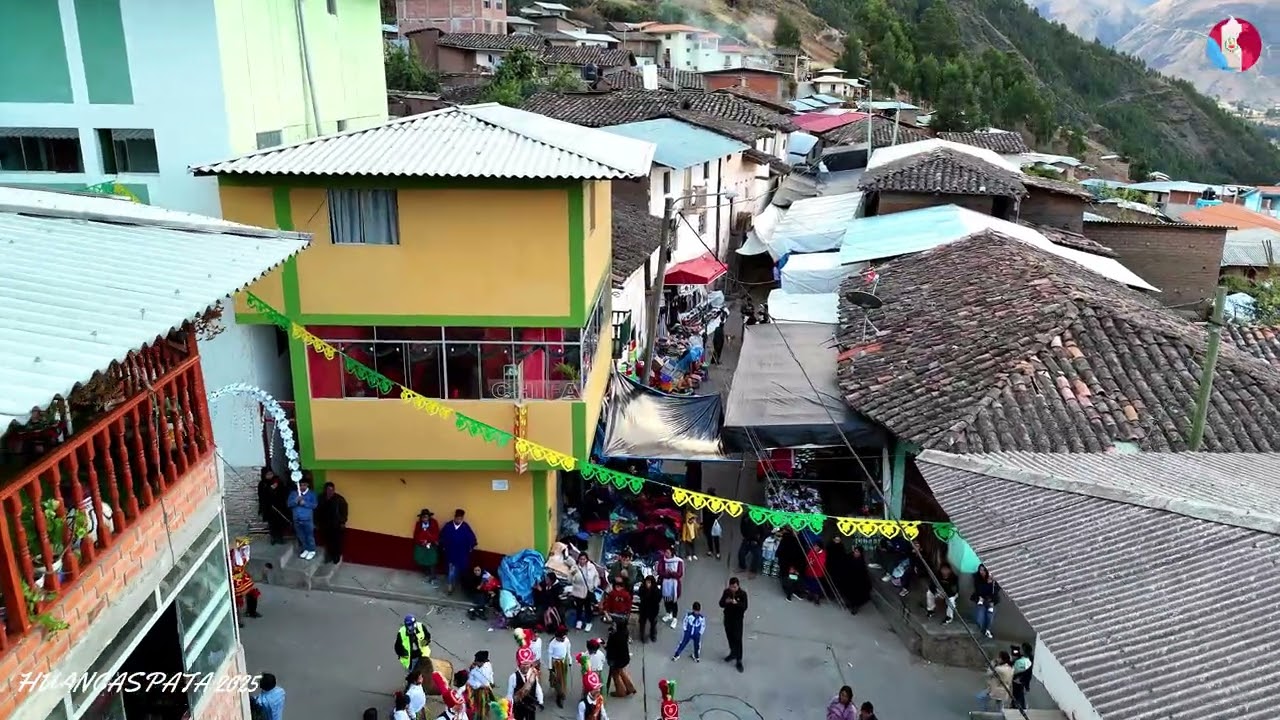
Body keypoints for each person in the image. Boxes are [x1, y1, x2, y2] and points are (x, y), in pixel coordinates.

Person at [440, 509, 477, 595]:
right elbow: (442, 536)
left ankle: (455, 583)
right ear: (455, 517)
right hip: (451, 552)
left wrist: (471, 546)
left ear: (462, 518)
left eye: (460, 519)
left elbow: (472, 538)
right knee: (451, 570)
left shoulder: (465, 527)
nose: (458, 520)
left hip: (462, 553)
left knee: (459, 570)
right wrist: (443, 546)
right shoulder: (448, 526)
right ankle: (450, 587)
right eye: (457, 518)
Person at [507, 639, 544, 720]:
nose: (526, 667)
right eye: (523, 664)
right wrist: (509, 708)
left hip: (531, 706)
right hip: (518, 707)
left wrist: (540, 701)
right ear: (519, 664)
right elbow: (510, 694)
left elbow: (537, 688)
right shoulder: (513, 677)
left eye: (528, 664)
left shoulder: (533, 674)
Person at [230, 536, 261, 625]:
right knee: (236, 601)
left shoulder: (243, 554)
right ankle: (237, 621)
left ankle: (251, 611)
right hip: (234, 581)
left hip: (243, 577)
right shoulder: (232, 556)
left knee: (252, 593)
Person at [719, 577, 747, 672]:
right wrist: (726, 602)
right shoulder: (726, 592)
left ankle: (739, 659)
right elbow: (721, 604)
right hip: (728, 618)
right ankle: (733, 652)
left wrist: (737, 603)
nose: (732, 589)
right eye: (731, 587)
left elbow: (745, 606)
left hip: (737, 620)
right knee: (730, 637)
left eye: (734, 587)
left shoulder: (743, 594)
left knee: (738, 639)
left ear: (738, 586)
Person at [317, 481, 349, 564]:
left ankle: (336, 556)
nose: (330, 491)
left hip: (336, 525)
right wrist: (317, 522)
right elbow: (317, 511)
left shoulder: (340, 499)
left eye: (332, 490)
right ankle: (330, 556)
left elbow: (344, 512)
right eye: (328, 490)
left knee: (337, 542)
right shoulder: (321, 498)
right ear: (325, 490)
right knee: (328, 541)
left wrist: (342, 522)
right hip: (324, 524)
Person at [287, 478, 318, 560]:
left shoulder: (311, 494)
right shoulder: (294, 493)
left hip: (307, 519)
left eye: (304, 485)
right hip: (297, 519)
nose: (302, 487)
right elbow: (289, 504)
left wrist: (305, 503)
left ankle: (312, 550)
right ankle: (306, 549)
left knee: (309, 536)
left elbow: (314, 505)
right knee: (301, 536)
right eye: (300, 485)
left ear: (307, 485)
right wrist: (295, 501)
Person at [257, 470, 290, 544]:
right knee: (271, 524)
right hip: (268, 508)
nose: (269, 476)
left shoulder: (278, 482)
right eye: (267, 474)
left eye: (271, 474)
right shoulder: (262, 484)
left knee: (280, 523)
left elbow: (283, 493)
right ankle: (273, 538)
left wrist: (276, 489)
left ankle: (280, 538)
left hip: (278, 507)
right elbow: (261, 495)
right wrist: (269, 489)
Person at [569, 553, 600, 632]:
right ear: (578, 559)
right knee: (579, 607)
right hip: (578, 590)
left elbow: (596, 576)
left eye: (584, 559)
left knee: (588, 608)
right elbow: (569, 579)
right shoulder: (574, 568)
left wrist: (595, 585)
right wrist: (572, 574)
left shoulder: (591, 567)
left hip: (588, 590)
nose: (582, 561)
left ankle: (588, 622)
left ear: (587, 559)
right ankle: (579, 621)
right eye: (581, 559)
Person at [604, 621, 636, 697]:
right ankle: (630, 688)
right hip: (624, 657)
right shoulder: (625, 632)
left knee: (615, 675)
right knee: (621, 671)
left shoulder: (614, 636)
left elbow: (610, 648)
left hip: (616, 660)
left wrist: (605, 646)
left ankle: (620, 691)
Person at [657, 547, 684, 629]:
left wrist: (671, 573)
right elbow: (660, 571)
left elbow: (679, 574)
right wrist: (668, 574)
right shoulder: (663, 560)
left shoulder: (679, 561)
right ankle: (668, 613)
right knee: (666, 599)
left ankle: (674, 618)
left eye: (668, 553)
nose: (666, 554)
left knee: (674, 602)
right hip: (665, 583)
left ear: (672, 553)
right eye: (666, 552)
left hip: (674, 585)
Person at [575, 655, 608, 720]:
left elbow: (603, 713)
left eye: (598, 687)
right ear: (589, 691)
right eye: (595, 689)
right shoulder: (583, 704)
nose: (598, 690)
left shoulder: (600, 699)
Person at [972, 564, 1000, 638]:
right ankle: (983, 630)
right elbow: (978, 590)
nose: (982, 572)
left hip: (991, 601)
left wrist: (992, 583)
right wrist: (987, 584)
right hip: (981, 600)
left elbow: (996, 590)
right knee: (979, 618)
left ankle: (987, 630)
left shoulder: (992, 579)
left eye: (983, 570)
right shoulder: (977, 578)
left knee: (990, 616)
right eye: (980, 570)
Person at [413, 509, 441, 586]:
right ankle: (427, 575)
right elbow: (416, 535)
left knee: (432, 561)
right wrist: (421, 542)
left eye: (426, 517)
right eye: (423, 517)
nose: (425, 519)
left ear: (429, 517)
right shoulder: (418, 524)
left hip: (431, 545)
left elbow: (436, 533)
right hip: (421, 546)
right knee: (422, 560)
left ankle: (433, 578)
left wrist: (430, 541)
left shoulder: (434, 523)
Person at [547, 625, 572, 708]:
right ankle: (560, 695)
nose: (563, 639)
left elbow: (568, 651)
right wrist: (550, 667)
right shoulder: (552, 644)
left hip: (563, 662)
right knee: (557, 681)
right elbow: (550, 656)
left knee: (563, 679)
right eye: (561, 638)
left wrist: (570, 660)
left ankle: (561, 691)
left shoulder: (566, 640)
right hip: (556, 663)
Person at [468, 651, 496, 720]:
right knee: (479, 707)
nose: (476, 663)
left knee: (487, 705)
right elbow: (470, 681)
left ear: (482, 662)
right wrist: (480, 685)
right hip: (478, 692)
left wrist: (491, 682)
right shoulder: (473, 671)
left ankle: (485, 715)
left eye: (477, 661)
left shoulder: (488, 665)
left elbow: (491, 674)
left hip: (487, 690)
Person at [636, 575, 662, 643]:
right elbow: (640, 595)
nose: (648, 584)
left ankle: (653, 635)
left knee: (653, 623)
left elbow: (658, 599)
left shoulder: (657, 591)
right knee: (642, 623)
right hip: (644, 609)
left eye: (649, 582)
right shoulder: (642, 588)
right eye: (647, 582)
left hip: (653, 610)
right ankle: (642, 636)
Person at [846, 546, 872, 614]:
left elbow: (863, 573)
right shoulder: (850, 558)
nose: (855, 553)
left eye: (857, 552)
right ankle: (850, 603)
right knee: (849, 592)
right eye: (855, 551)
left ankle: (855, 606)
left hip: (858, 582)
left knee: (856, 595)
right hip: (850, 579)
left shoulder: (861, 561)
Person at [1012, 642, 1034, 709]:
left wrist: (1021, 679)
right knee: (1016, 693)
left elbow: (1028, 671)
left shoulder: (1029, 659)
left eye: (1021, 649)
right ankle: (1014, 704)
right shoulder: (1023, 656)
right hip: (1017, 678)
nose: (1020, 650)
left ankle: (1021, 707)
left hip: (1022, 679)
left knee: (1020, 693)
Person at [701, 491, 723, 560]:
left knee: (715, 538)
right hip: (707, 523)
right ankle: (711, 550)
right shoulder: (705, 503)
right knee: (709, 538)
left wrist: (717, 518)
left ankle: (717, 552)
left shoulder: (717, 503)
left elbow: (722, 512)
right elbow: (703, 513)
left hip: (713, 523)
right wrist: (702, 522)